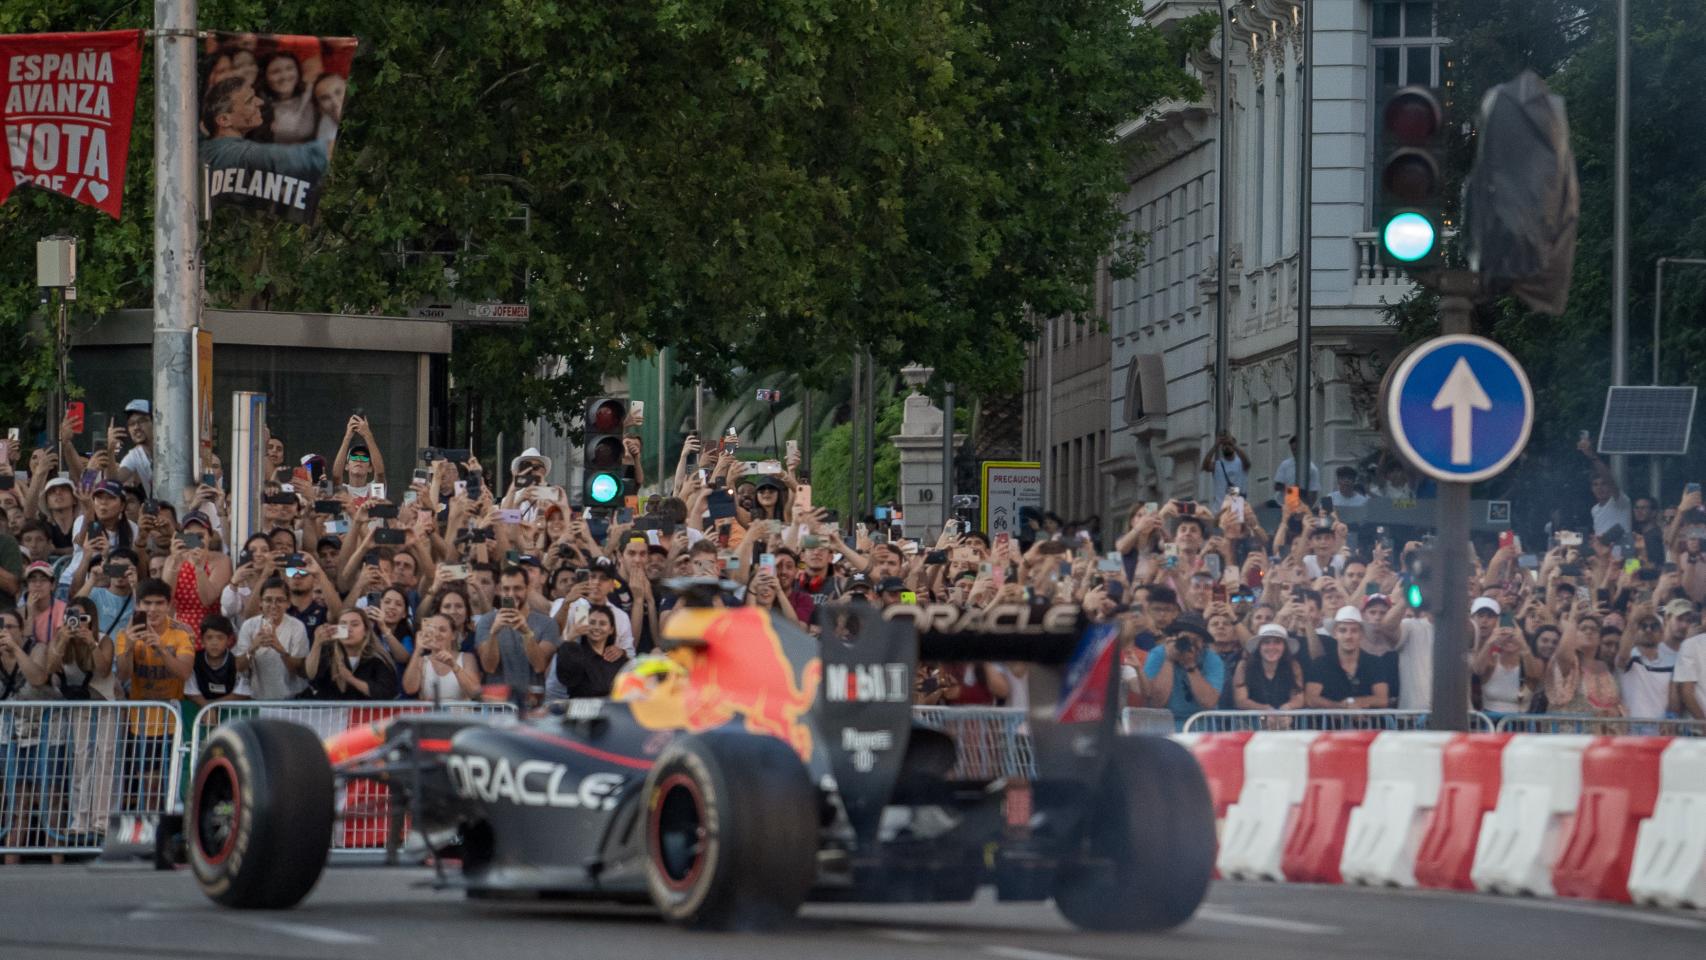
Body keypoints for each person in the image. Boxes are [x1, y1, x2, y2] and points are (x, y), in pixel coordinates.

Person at [113, 578, 195, 810]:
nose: (153, 609)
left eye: (159, 603)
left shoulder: (182, 633)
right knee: (150, 788)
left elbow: (184, 672)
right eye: (147, 603)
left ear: (169, 605)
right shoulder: (125, 633)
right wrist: (129, 646)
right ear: (137, 605)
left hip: (177, 721)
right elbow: (123, 675)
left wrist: (159, 647)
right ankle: (153, 838)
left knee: (176, 787)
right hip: (143, 723)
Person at [200, 76, 330, 181]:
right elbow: (308, 158)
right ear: (224, 120)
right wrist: (328, 148)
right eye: (249, 100)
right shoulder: (242, 154)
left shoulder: (202, 149)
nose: (260, 102)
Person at [474, 566, 561, 697]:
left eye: (517, 588)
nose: (511, 594)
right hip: (497, 702)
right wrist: (494, 633)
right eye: (506, 589)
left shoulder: (547, 624)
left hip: (531, 703)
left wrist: (526, 632)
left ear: (528, 589)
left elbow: (540, 665)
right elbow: (489, 667)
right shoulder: (486, 621)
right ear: (498, 590)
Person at [233, 578, 310, 700]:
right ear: (260, 603)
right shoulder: (249, 625)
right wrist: (252, 648)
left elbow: (298, 670)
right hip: (259, 699)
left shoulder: (297, 626)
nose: (273, 605)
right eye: (268, 600)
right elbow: (239, 667)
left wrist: (280, 650)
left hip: (293, 699)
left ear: (288, 603)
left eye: (279, 600)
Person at [1141, 617, 1224, 727]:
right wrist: (1168, 660)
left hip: (1201, 726)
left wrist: (1190, 666)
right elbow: (1156, 702)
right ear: (1173, 638)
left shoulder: (1212, 659)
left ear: (1203, 643)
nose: (1190, 644)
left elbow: (1209, 702)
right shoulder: (1158, 654)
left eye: (1196, 640)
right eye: (1186, 638)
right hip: (1164, 725)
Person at [1305, 606, 1389, 710]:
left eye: (1354, 631)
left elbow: (1382, 700)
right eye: (1343, 630)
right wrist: (1341, 708)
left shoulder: (1374, 662)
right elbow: (1311, 699)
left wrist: (1357, 702)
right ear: (1335, 633)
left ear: (1361, 634)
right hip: (1331, 726)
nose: (1348, 636)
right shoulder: (1321, 663)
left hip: (1366, 726)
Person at [304, 610, 399, 701]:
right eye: (343, 624)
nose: (348, 629)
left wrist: (351, 679)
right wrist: (317, 643)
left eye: (355, 624)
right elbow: (311, 675)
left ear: (366, 631)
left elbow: (385, 692)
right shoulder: (328, 654)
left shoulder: (378, 659)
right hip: (333, 715)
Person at [550, 604, 630, 699]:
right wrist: (570, 637)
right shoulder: (575, 654)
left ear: (611, 630)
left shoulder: (619, 658)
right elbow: (566, 677)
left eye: (602, 623)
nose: (596, 627)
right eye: (592, 622)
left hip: (612, 710)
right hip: (581, 710)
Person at [1614, 603, 1676, 720]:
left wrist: (1670, 719)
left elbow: (1673, 700)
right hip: (1632, 730)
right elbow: (1622, 658)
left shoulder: (1671, 662)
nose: (1648, 630)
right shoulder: (1629, 657)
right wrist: (1634, 620)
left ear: (1662, 633)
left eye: (1654, 626)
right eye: (1643, 626)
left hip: (1661, 730)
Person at [402, 613, 480, 701]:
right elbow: (409, 689)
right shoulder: (421, 660)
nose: (437, 634)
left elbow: (474, 693)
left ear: (453, 635)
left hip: (460, 714)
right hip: (430, 714)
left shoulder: (467, 658)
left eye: (442, 630)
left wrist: (454, 666)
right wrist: (418, 650)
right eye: (432, 630)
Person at [1234, 623, 1307, 711]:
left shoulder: (1294, 666)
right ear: (1259, 647)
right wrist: (1266, 709)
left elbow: (1298, 698)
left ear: (1285, 647)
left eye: (1277, 642)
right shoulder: (1244, 666)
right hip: (1250, 722)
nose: (1271, 647)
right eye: (1266, 642)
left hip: (1285, 721)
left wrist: (1286, 708)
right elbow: (1241, 701)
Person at [185, 615, 250, 705]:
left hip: (231, 712)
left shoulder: (237, 661)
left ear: (229, 640)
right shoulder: (194, 660)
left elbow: (242, 693)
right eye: (209, 637)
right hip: (200, 709)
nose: (214, 643)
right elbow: (191, 692)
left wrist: (211, 706)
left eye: (220, 638)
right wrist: (206, 707)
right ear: (202, 640)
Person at [1577, 434, 1632, 538]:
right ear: (1592, 488)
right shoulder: (1594, 509)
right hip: (1602, 554)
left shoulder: (1621, 501)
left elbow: (1609, 479)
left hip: (1622, 554)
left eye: (1603, 484)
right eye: (1595, 485)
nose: (1599, 488)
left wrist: (1592, 457)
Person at [1201, 431, 1251, 507]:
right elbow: (1205, 466)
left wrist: (1233, 445)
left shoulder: (1241, 463)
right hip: (1219, 510)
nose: (1227, 446)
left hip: (1236, 510)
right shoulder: (1218, 465)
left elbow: (1247, 462)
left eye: (1229, 444)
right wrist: (1215, 446)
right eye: (1224, 444)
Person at [1272, 436, 1321, 501]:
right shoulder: (1285, 464)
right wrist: (1294, 492)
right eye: (1292, 449)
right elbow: (1277, 486)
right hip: (1280, 504)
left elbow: (1313, 495)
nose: (1294, 452)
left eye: (1296, 449)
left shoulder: (1312, 469)